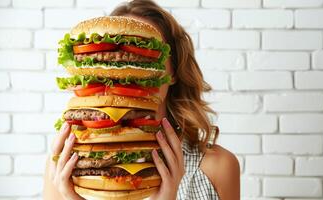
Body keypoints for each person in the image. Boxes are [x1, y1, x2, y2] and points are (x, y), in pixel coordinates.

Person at [43, 0, 240, 199]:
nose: (125, 76)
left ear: (173, 72)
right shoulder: (65, 168)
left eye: (140, 56)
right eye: (117, 57)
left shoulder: (218, 167)